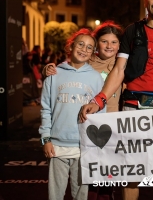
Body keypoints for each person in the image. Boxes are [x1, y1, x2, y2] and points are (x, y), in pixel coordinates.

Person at [79, 0, 153, 200]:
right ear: (146, 0)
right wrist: (99, 100)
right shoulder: (131, 31)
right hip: (134, 105)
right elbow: (119, 70)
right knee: (132, 170)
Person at [44, 21, 124, 200]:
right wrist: (49, 70)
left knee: (107, 181)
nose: (109, 46)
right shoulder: (88, 62)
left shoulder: (123, 65)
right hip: (87, 131)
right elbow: (68, 70)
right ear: (97, 44)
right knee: (88, 183)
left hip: (112, 129)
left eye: (114, 42)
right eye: (104, 41)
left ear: (120, 45)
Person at [39, 28, 106, 200]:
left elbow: (100, 111)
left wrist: (95, 144)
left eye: (89, 47)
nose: (84, 49)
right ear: (71, 46)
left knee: (81, 195)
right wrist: (46, 139)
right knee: (55, 195)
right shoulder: (54, 74)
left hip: (83, 146)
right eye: (81, 44)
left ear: (93, 52)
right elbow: (46, 108)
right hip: (57, 145)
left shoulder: (96, 78)